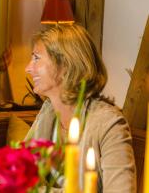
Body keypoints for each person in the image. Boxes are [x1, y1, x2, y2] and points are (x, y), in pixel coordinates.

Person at [25, 24, 136, 192]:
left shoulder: (109, 124)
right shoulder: (48, 112)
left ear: (65, 66)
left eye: (36, 58)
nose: (28, 68)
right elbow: (19, 172)